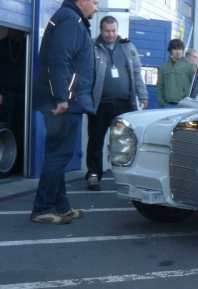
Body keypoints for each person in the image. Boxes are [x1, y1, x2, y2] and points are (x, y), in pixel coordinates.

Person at [30, 0, 99, 224]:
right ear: (82, 2)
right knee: (58, 155)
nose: (96, 7)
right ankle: (43, 208)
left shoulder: (69, 18)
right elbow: (59, 60)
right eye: (95, 2)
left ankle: (61, 206)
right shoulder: (71, 20)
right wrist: (62, 97)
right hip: (64, 102)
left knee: (58, 155)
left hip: (65, 100)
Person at [85, 15, 148, 191]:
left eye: (113, 31)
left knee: (126, 142)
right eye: (107, 31)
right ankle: (93, 176)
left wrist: (142, 95)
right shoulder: (92, 46)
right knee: (95, 141)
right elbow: (86, 74)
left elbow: (136, 73)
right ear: (101, 30)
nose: (110, 34)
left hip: (124, 104)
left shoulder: (128, 47)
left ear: (117, 30)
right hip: (100, 104)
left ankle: (127, 176)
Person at [0, 28, 26, 172]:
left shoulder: (26, 45)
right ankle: (3, 161)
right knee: (5, 127)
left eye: (20, 32)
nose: (18, 34)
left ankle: (19, 162)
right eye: (15, 32)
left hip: (23, 95)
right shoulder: (0, 47)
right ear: (9, 31)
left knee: (21, 128)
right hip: (5, 94)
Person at [156, 38, 194, 108]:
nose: (178, 52)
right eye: (175, 49)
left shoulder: (189, 65)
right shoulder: (164, 67)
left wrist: (190, 100)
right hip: (168, 104)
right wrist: (162, 102)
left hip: (184, 104)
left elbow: (195, 85)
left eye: (180, 49)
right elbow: (160, 85)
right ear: (170, 50)